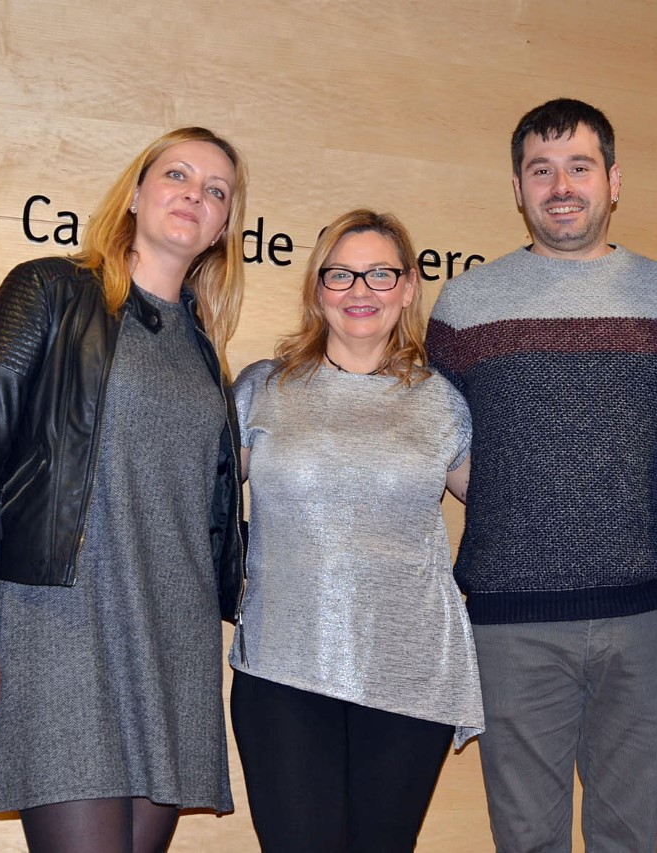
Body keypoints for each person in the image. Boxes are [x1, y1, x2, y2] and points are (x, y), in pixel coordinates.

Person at [0, 126, 248, 852]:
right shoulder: (48, 290)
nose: (193, 196)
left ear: (225, 226)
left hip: (172, 636)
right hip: (60, 622)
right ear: (136, 195)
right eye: (177, 175)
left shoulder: (205, 350)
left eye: (216, 191)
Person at [427, 98, 657, 852]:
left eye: (579, 167)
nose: (561, 186)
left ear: (613, 181)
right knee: (526, 840)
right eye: (540, 170)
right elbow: (434, 437)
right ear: (517, 188)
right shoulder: (465, 304)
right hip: (512, 618)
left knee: (629, 837)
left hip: (650, 613)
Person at [228, 209, 483, 853]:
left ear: (406, 288)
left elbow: (510, 515)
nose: (360, 290)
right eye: (340, 275)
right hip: (282, 665)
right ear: (318, 289)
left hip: (409, 675)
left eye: (378, 274)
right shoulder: (263, 389)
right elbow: (188, 504)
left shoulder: (443, 402)